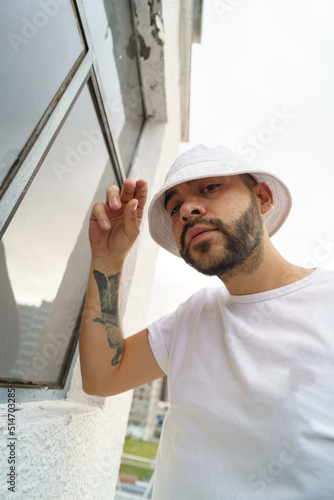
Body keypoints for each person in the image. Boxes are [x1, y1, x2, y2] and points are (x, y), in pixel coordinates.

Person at [79, 144, 334, 500]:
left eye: (209, 188)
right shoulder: (193, 317)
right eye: (174, 206)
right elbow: (102, 377)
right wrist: (107, 259)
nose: (187, 210)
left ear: (262, 198)